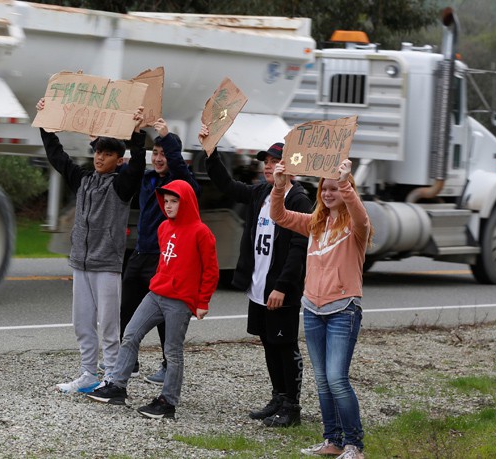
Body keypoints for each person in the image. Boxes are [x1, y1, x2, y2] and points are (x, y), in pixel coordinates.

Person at [202, 125, 313, 428]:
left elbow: (298, 249)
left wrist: (283, 287)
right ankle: (277, 397)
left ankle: (292, 405)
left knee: (284, 344)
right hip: (259, 286)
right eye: (265, 162)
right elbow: (226, 185)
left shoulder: (298, 199)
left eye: (274, 161)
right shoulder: (261, 193)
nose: (268, 166)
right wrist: (210, 152)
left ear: (289, 166)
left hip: (280, 289)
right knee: (267, 341)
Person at [37, 98, 146, 394]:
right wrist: (47, 125)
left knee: (109, 327)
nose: (99, 158)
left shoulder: (121, 186)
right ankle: (88, 373)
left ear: (117, 160)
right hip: (81, 264)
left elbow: (138, 166)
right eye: (98, 151)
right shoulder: (82, 180)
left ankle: (111, 376)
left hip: (107, 266)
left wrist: (137, 134)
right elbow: (58, 157)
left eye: (107, 153)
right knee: (82, 323)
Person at [85, 179, 219, 419]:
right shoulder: (164, 228)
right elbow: (165, 260)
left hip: (180, 301)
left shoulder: (202, 232)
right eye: (165, 201)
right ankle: (117, 386)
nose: (168, 206)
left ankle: (167, 402)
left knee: (172, 351)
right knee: (130, 334)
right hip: (156, 294)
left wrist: (202, 302)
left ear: (185, 201)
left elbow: (211, 270)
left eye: (174, 201)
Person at [270, 159, 373, 459]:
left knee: (338, 379)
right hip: (313, 310)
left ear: (346, 189)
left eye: (335, 189)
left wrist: (345, 182)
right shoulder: (314, 223)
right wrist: (279, 186)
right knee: (323, 380)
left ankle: (355, 445)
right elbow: (279, 215)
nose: (328, 193)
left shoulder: (356, 227)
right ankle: (333, 440)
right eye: (324, 189)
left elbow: (363, 219)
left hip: (343, 310)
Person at [119, 118, 200, 385]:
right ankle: (128, 364)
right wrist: (136, 133)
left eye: (164, 153)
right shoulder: (147, 179)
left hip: (163, 257)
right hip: (141, 253)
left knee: (166, 315)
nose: (159, 158)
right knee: (128, 310)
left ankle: (168, 365)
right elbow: (135, 161)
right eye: (156, 153)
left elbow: (183, 175)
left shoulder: (181, 187)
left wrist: (166, 137)